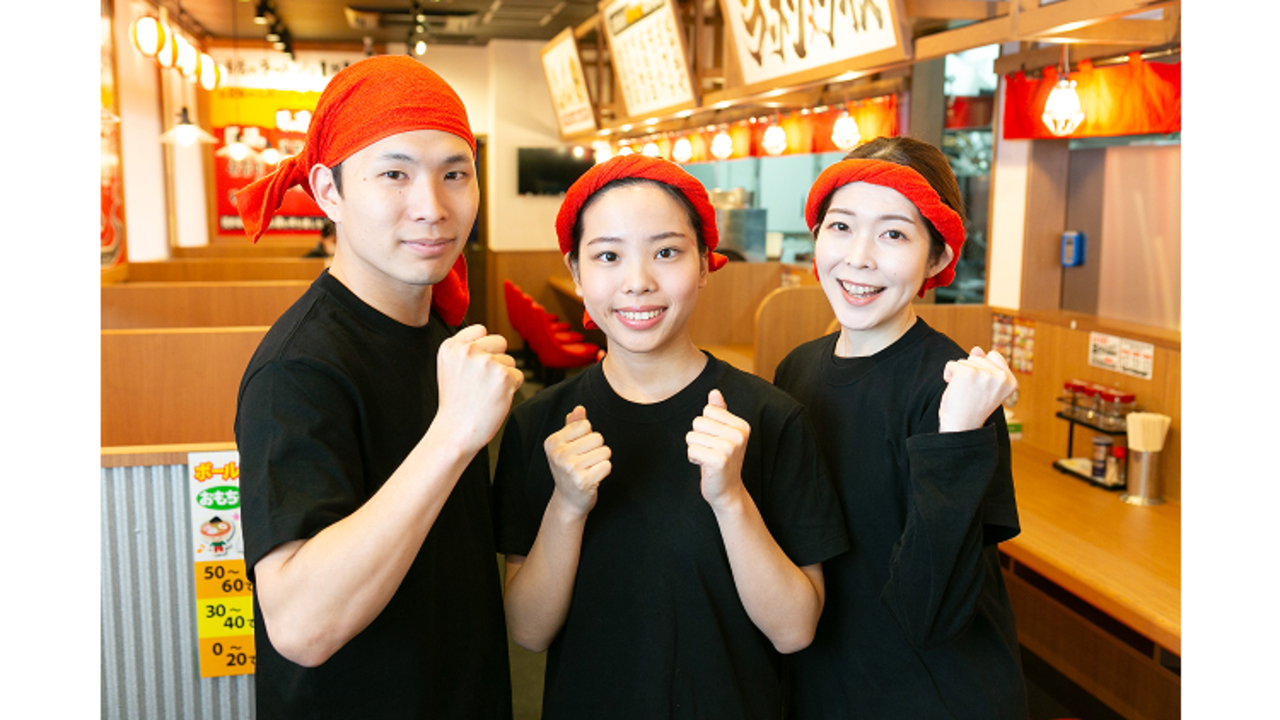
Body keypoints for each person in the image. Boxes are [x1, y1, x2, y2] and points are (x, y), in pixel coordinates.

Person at [493, 155, 849, 719]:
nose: (638, 282)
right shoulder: (539, 426)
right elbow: (528, 630)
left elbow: (795, 629)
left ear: (705, 263)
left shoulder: (772, 419)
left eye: (666, 252)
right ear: (576, 271)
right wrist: (566, 507)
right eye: (608, 256)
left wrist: (731, 500)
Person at [232, 55, 522, 719]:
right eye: (395, 174)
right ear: (328, 192)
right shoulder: (299, 369)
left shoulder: (440, 332)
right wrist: (453, 436)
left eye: (455, 174)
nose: (433, 207)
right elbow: (300, 625)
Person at [773, 136, 1028, 719]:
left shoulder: (956, 391)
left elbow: (930, 613)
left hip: (932, 698)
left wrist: (957, 437)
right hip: (827, 686)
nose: (859, 257)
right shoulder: (795, 370)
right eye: (841, 227)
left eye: (893, 234)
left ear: (937, 259)